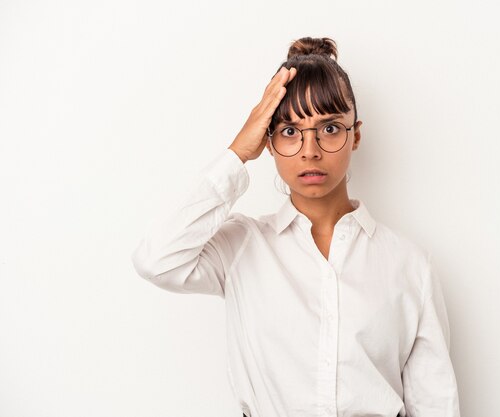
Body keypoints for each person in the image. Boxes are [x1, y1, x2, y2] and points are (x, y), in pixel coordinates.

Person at [132, 36, 460, 417]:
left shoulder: (409, 265)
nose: (310, 150)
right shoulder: (241, 246)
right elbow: (156, 260)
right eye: (289, 131)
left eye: (330, 128)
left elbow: (436, 405)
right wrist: (237, 152)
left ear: (355, 135)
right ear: (267, 141)